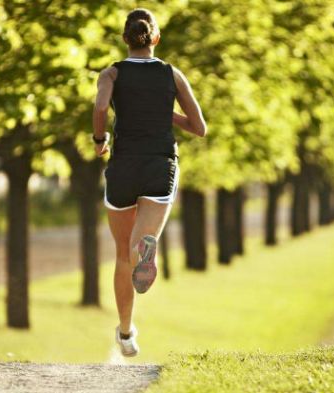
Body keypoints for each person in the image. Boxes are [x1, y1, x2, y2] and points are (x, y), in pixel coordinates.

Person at [92, 8, 207, 357]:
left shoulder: (111, 73)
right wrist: (163, 111)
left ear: (125, 39)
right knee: (140, 240)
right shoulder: (172, 75)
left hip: (123, 166)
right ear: (155, 38)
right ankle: (146, 247)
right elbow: (199, 127)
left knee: (121, 257)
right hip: (159, 165)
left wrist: (100, 140)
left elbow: (99, 108)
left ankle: (126, 333)